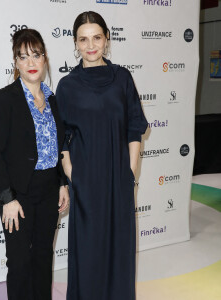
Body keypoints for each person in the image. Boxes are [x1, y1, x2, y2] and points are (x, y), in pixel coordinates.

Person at [56, 11, 148, 300]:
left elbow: (135, 126)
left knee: (120, 248)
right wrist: (72, 172)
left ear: (107, 39)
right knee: (89, 249)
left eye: (96, 37)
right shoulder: (67, 85)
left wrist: (130, 171)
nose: (91, 45)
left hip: (118, 177)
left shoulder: (122, 77)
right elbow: (63, 136)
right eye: (83, 39)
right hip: (86, 180)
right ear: (75, 43)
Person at [0, 28, 69, 300]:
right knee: (19, 262)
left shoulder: (54, 100)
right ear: (16, 63)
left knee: (43, 257)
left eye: (36, 55)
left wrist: (62, 184)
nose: (31, 63)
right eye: (23, 57)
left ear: (45, 59)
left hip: (48, 191)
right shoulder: (3, 99)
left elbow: (59, 148)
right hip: (17, 193)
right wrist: (7, 198)